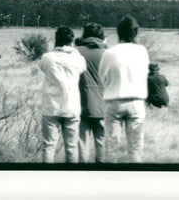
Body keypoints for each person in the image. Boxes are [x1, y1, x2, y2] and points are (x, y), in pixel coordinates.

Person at [99, 15, 150, 162]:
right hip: (136, 101)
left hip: (114, 100)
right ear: (135, 33)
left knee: (111, 148)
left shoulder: (109, 53)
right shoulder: (142, 51)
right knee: (136, 148)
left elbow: (102, 76)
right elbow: (144, 73)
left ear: (118, 32)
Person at [39, 26, 87, 163]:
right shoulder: (78, 59)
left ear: (56, 40)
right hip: (71, 106)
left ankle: (48, 177)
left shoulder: (47, 58)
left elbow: (42, 67)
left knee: (49, 147)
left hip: (51, 107)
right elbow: (83, 69)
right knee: (72, 147)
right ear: (71, 40)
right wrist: (75, 51)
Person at [75, 23, 107, 163]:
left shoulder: (77, 51)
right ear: (101, 36)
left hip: (81, 102)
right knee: (101, 142)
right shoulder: (107, 53)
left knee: (82, 143)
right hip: (103, 104)